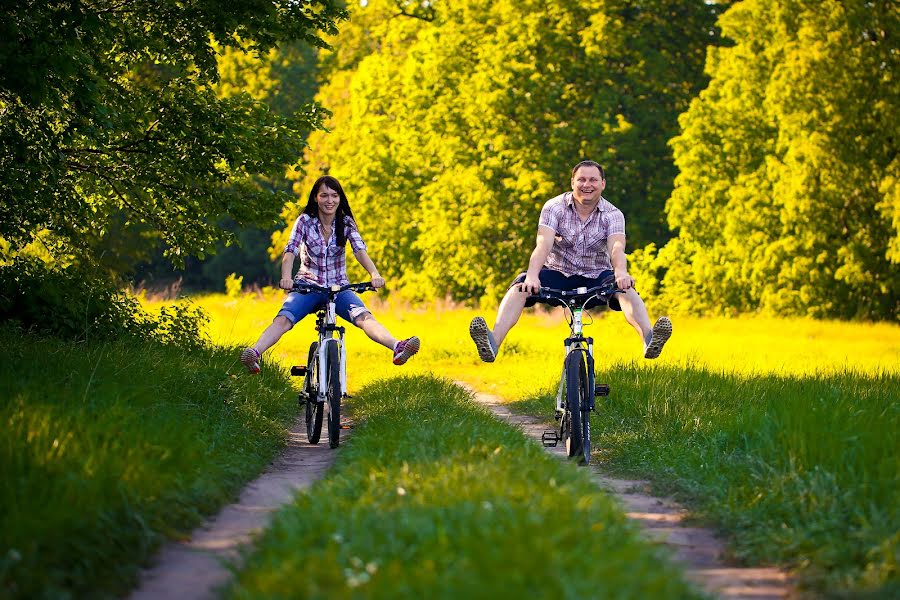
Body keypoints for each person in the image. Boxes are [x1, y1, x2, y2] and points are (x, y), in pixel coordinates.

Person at [469, 160, 671, 362]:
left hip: (596, 275)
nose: (587, 185)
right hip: (558, 272)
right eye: (581, 179)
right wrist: (531, 276)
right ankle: (492, 343)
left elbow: (617, 247)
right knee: (519, 286)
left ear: (603, 184)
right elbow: (543, 243)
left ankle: (649, 339)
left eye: (593, 180)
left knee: (626, 291)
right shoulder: (554, 207)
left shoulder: (613, 214)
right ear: (572, 182)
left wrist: (620, 273)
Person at [240, 175, 419, 373]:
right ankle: (254, 354)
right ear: (315, 198)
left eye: (334, 195)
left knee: (364, 318)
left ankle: (398, 347)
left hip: (338, 287)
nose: (330, 200)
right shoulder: (304, 222)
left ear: (340, 198)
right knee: (284, 319)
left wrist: (374, 273)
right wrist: (286, 277)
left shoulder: (346, 222)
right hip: (308, 286)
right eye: (324, 195)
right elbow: (290, 250)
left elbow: (359, 250)